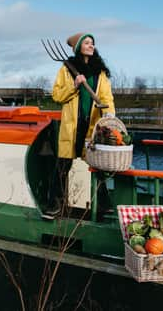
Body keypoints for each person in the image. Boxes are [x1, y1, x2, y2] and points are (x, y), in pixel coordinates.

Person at [47, 32, 115, 217]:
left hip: (93, 125)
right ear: (78, 47)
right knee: (63, 164)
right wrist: (74, 86)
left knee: (97, 164)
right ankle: (54, 205)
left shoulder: (99, 72)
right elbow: (57, 96)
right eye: (87, 43)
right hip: (72, 125)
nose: (91, 45)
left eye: (92, 42)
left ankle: (103, 204)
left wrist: (109, 115)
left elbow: (107, 97)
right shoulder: (67, 70)